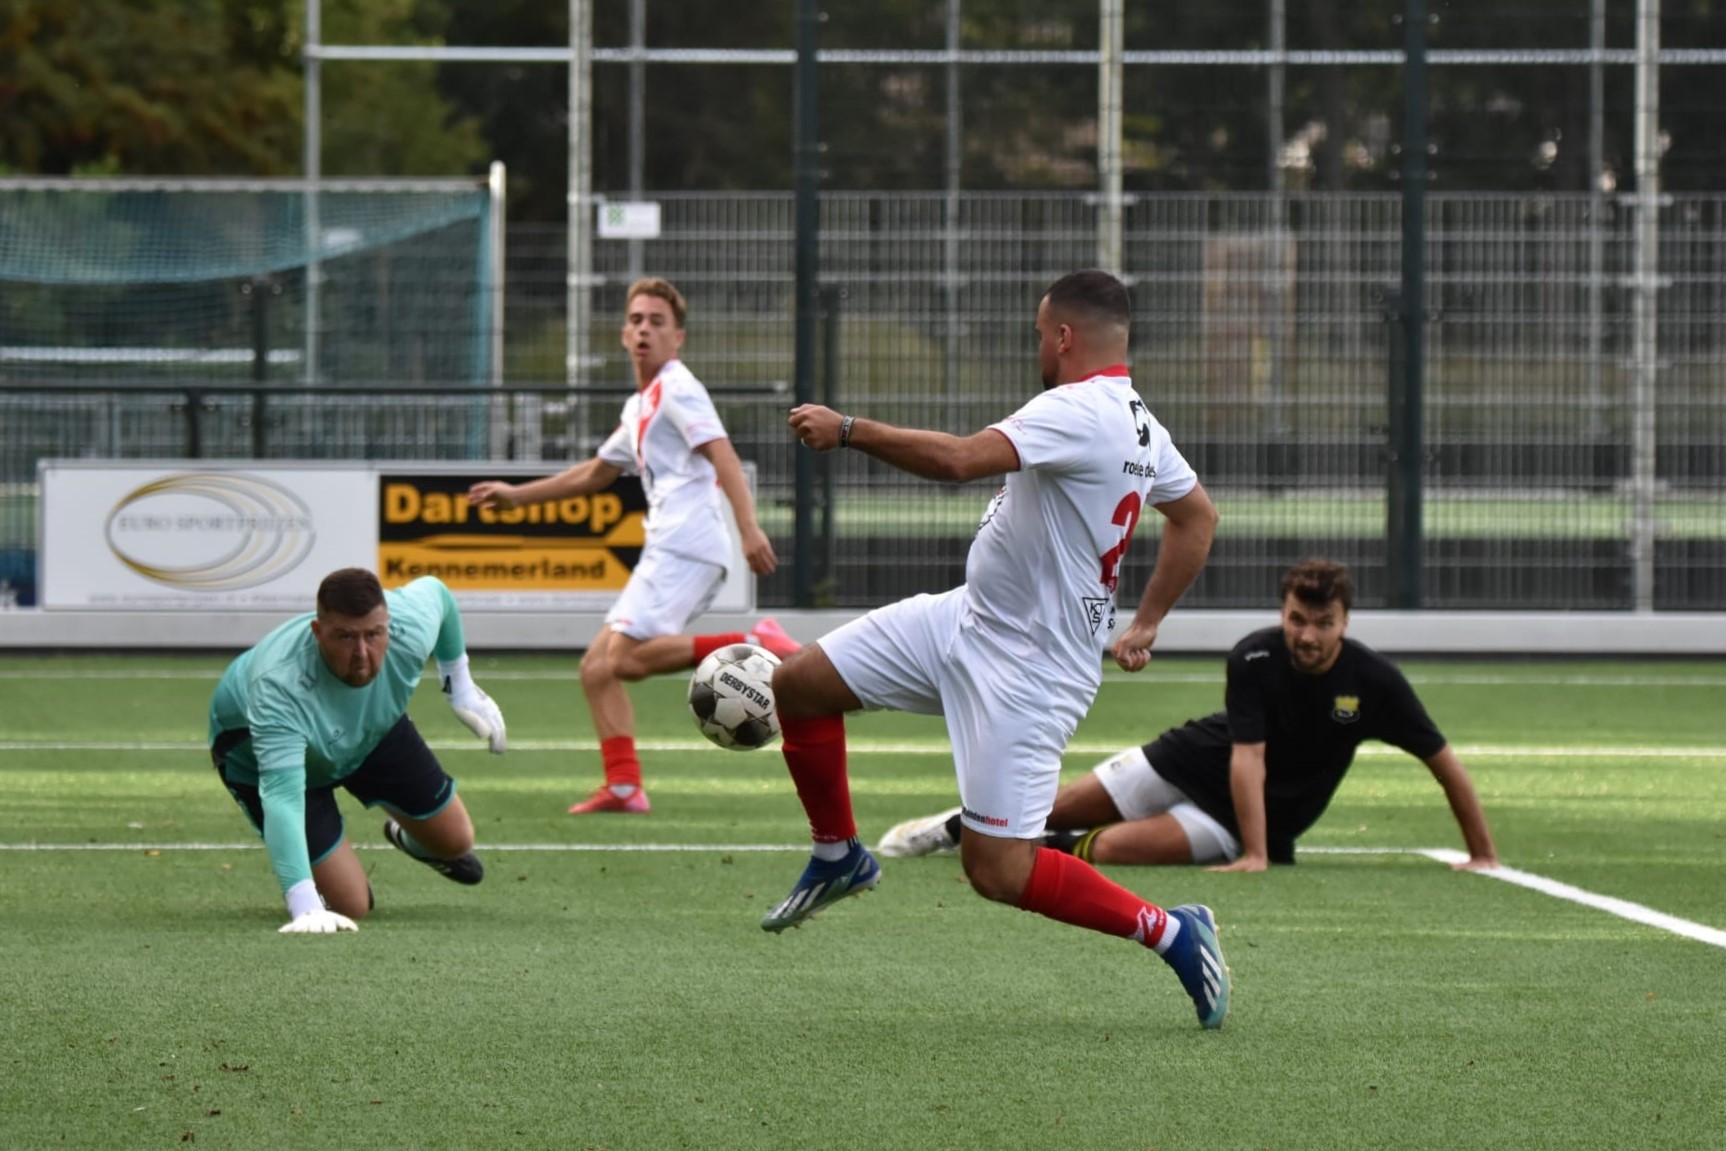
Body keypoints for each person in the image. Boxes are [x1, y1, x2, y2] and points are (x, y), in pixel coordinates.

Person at [764, 269, 1231, 1029]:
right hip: (967, 618)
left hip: (1029, 671)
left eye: (1039, 332)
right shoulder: (1142, 422)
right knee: (800, 682)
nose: (1037, 345)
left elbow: (956, 460)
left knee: (998, 869)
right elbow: (1198, 517)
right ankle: (837, 854)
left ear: (1064, 337)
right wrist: (1145, 621)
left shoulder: (1077, 408)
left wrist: (848, 430)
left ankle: (1175, 933)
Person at [876, 558, 1501, 874]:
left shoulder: (1376, 683)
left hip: (1237, 818)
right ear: (1283, 612)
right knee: (1054, 802)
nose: (1306, 635)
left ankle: (1028, 853)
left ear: (1345, 622)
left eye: (1322, 623)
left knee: (1111, 849)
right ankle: (957, 827)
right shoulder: (1255, 656)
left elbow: (1443, 763)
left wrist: (1483, 855)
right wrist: (1257, 858)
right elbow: (1246, 757)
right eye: (1296, 619)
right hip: (1189, 759)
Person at [467, 277, 796, 815]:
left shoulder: (679, 387)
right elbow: (596, 473)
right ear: (624, 334)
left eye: (657, 322)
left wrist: (750, 528)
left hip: (686, 543)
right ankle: (623, 785)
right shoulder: (642, 403)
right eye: (637, 320)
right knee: (598, 667)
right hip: (669, 545)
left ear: (677, 337)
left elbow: (723, 456)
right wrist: (515, 498)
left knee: (625, 661)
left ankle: (752, 639)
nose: (645, 328)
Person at [208, 567, 509, 935]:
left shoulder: (408, 626)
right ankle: (332, 886)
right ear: (318, 633)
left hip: (372, 728)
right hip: (273, 764)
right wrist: (303, 906)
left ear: (388, 625)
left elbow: (438, 593)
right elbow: (283, 797)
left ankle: (408, 838)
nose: (363, 654)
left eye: (374, 634)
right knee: (351, 906)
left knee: (456, 841)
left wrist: (459, 686)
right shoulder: (278, 687)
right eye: (345, 637)